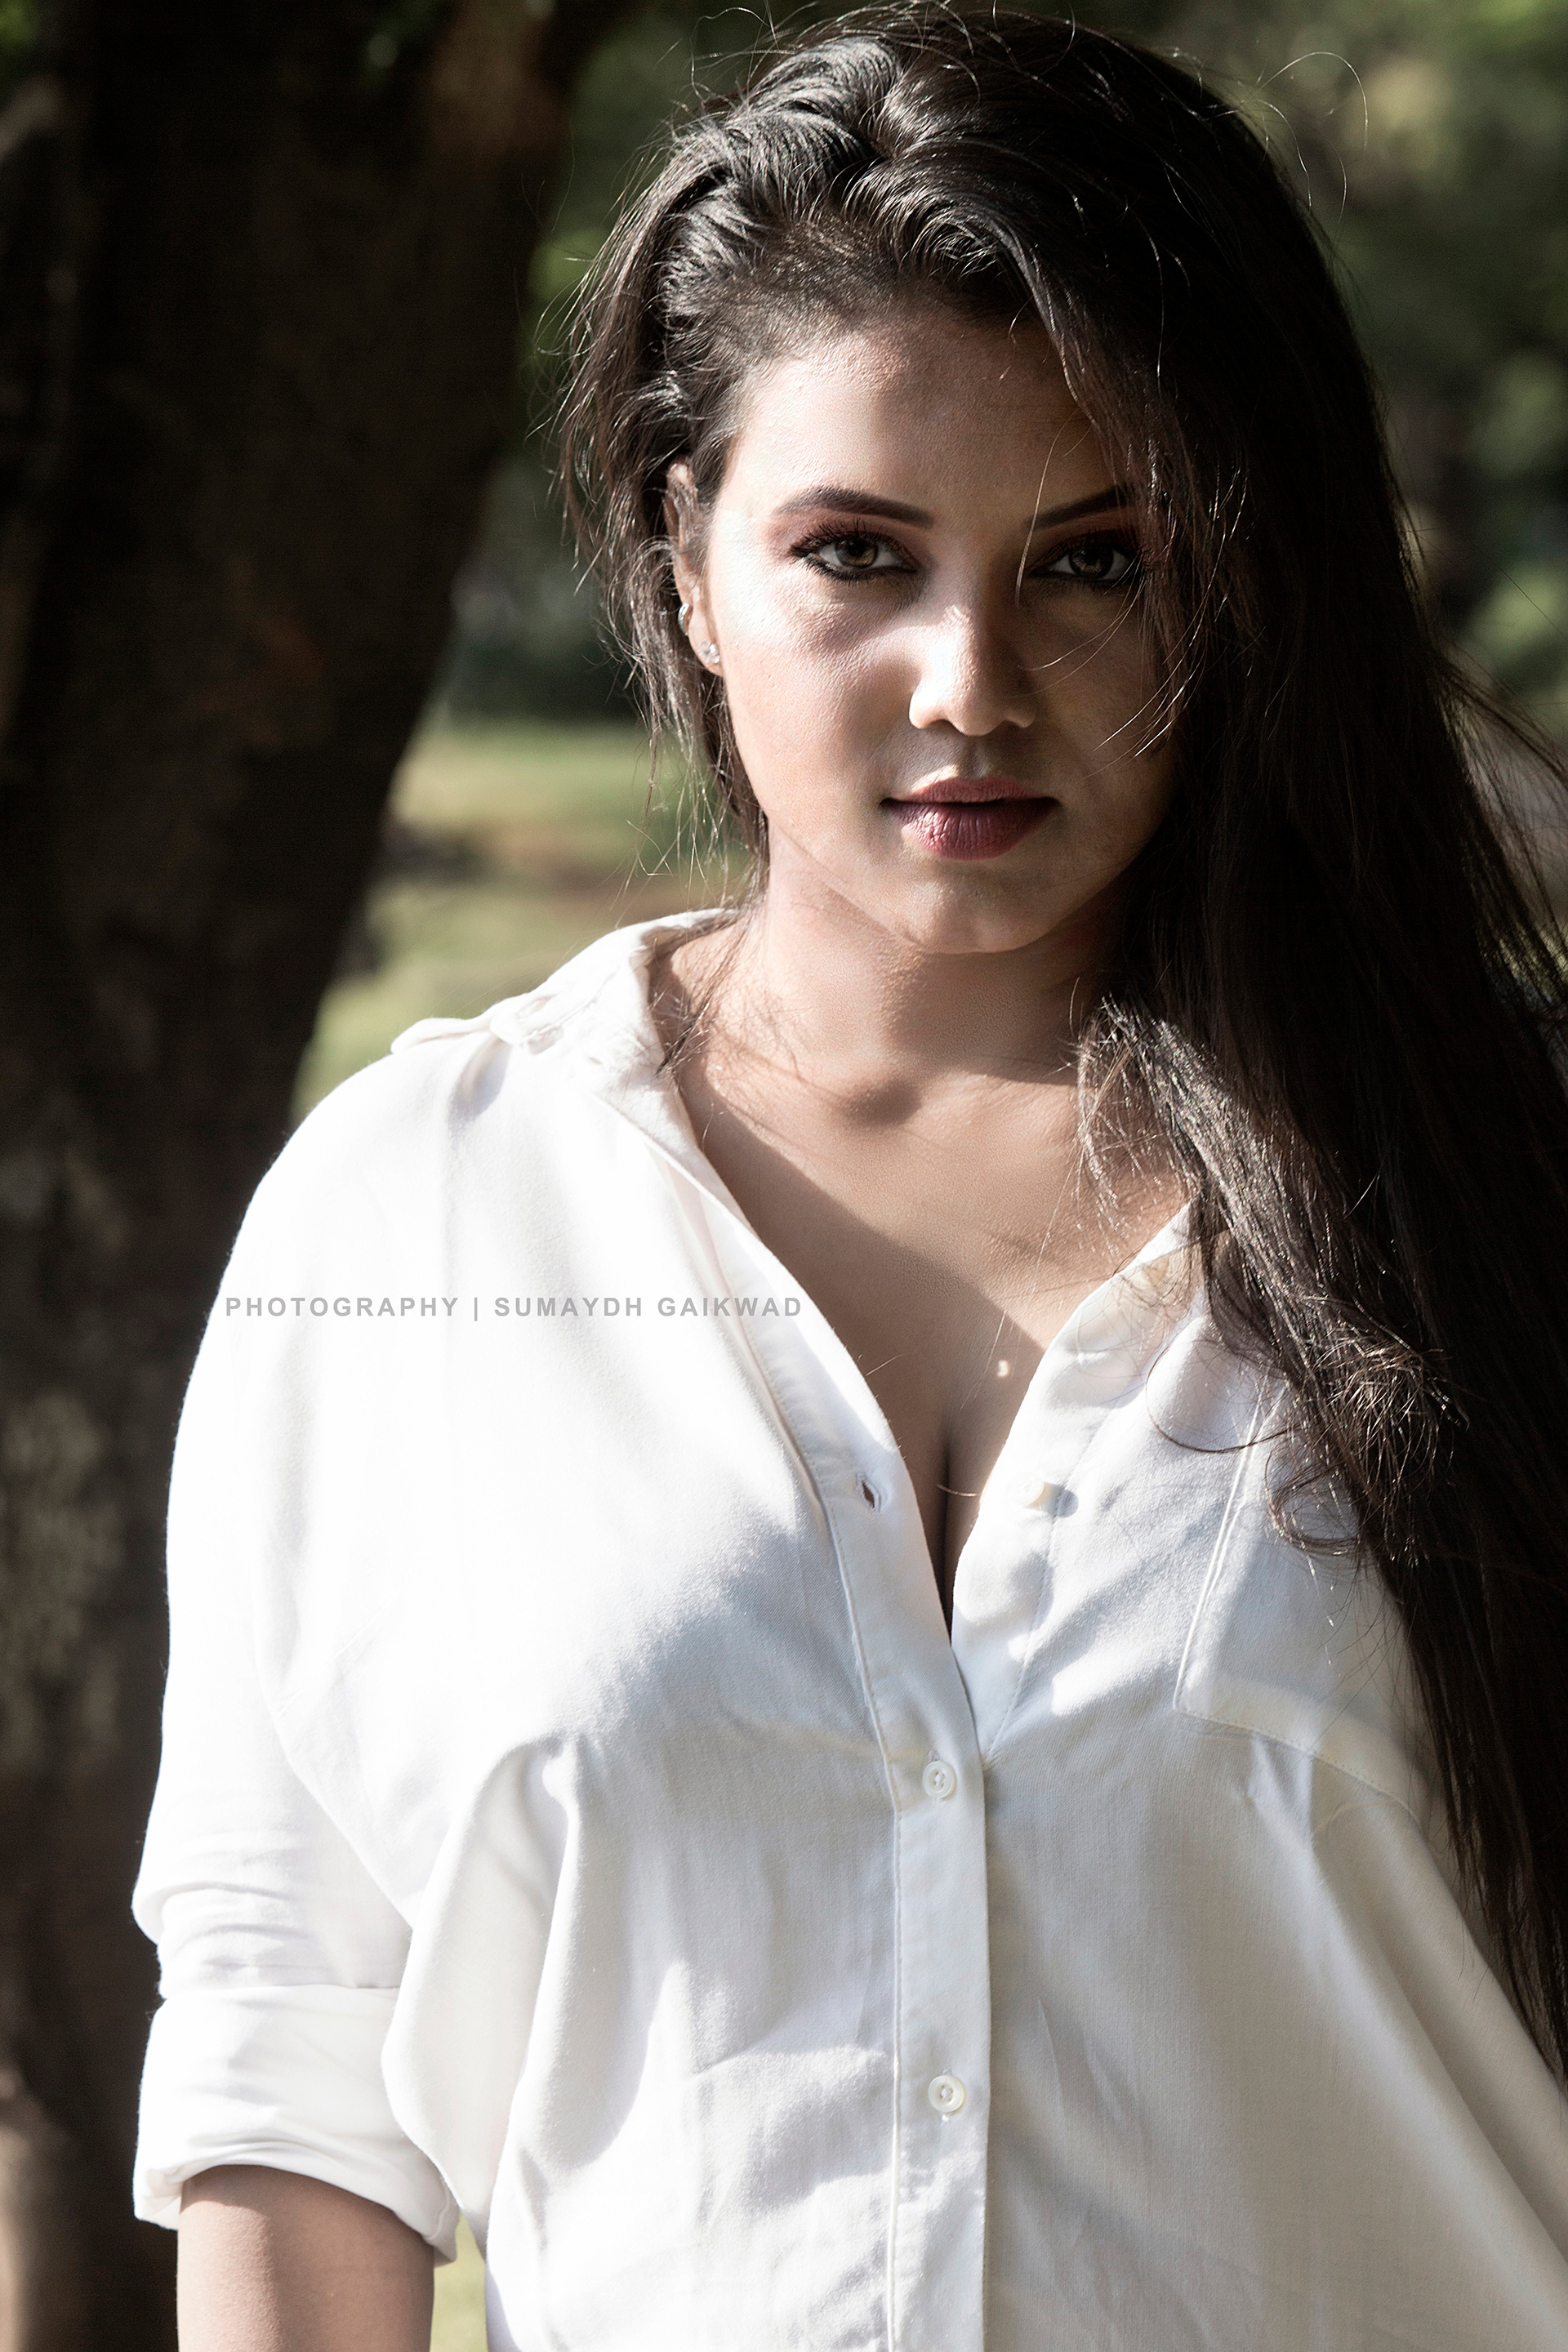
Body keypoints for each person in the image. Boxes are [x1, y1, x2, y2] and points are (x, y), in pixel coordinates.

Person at [135, 9, 1568, 2348]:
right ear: (687, 559)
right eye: (857, 556)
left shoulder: (1514, 1195)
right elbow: (294, 2111)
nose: (971, 681)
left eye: (1093, 561)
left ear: (1237, 580)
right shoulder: (410, 1228)